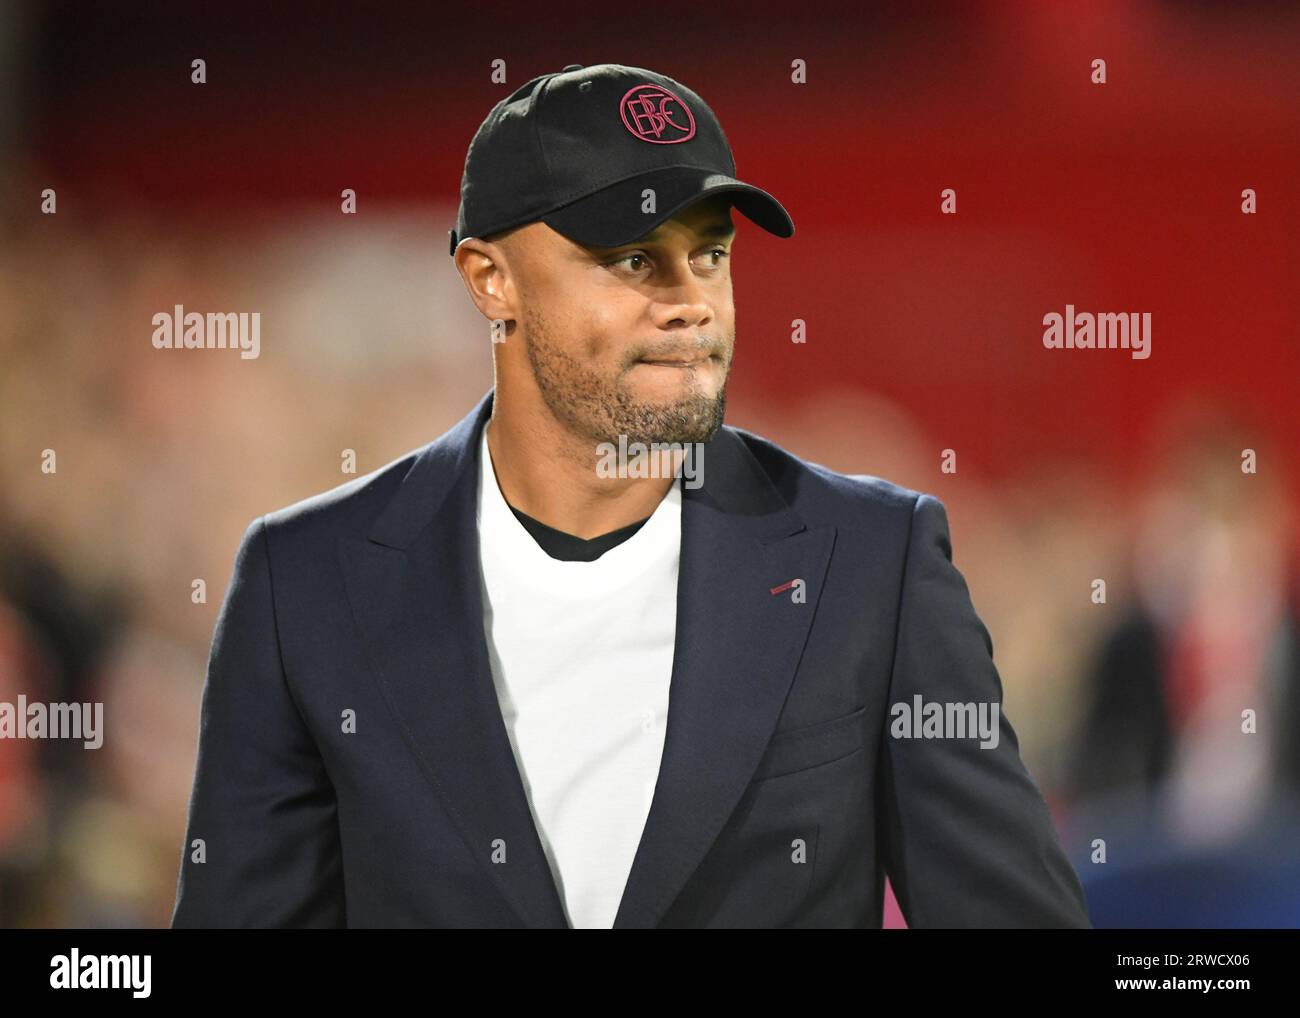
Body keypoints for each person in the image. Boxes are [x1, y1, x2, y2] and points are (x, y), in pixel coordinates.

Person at [171, 63, 1090, 928]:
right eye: (635, 260)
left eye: (712, 257)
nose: (692, 301)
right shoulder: (305, 583)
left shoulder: (873, 562)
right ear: (491, 282)